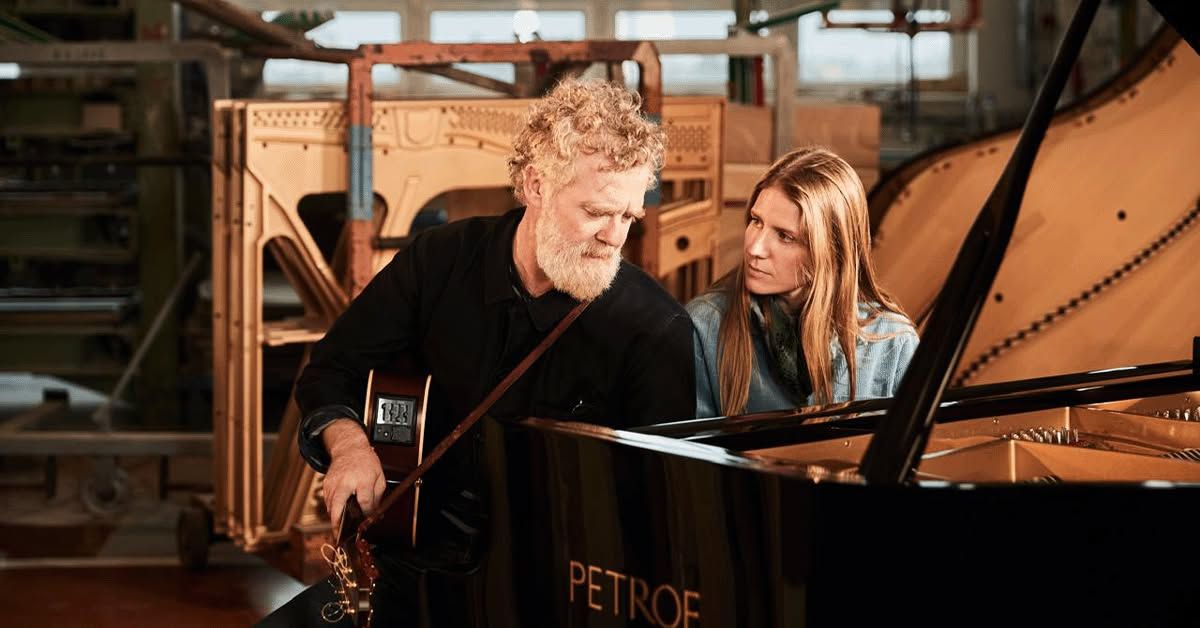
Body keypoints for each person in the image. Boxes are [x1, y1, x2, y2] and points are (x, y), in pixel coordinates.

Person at [257, 77, 695, 627]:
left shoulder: (655, 328)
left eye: (628, 216)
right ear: (536, 184)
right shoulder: (439, 261)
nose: (614, 236)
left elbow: (662, 517)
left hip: (551, 590)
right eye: (596, 211)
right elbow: (331, 369)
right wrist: (347, 446)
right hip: (410, 559)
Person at [688, 146, 917, 418]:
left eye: (785, 236)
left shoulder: (892, 343)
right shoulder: (705, 326)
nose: (755, 248)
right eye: (756, 221)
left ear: (830, 252)